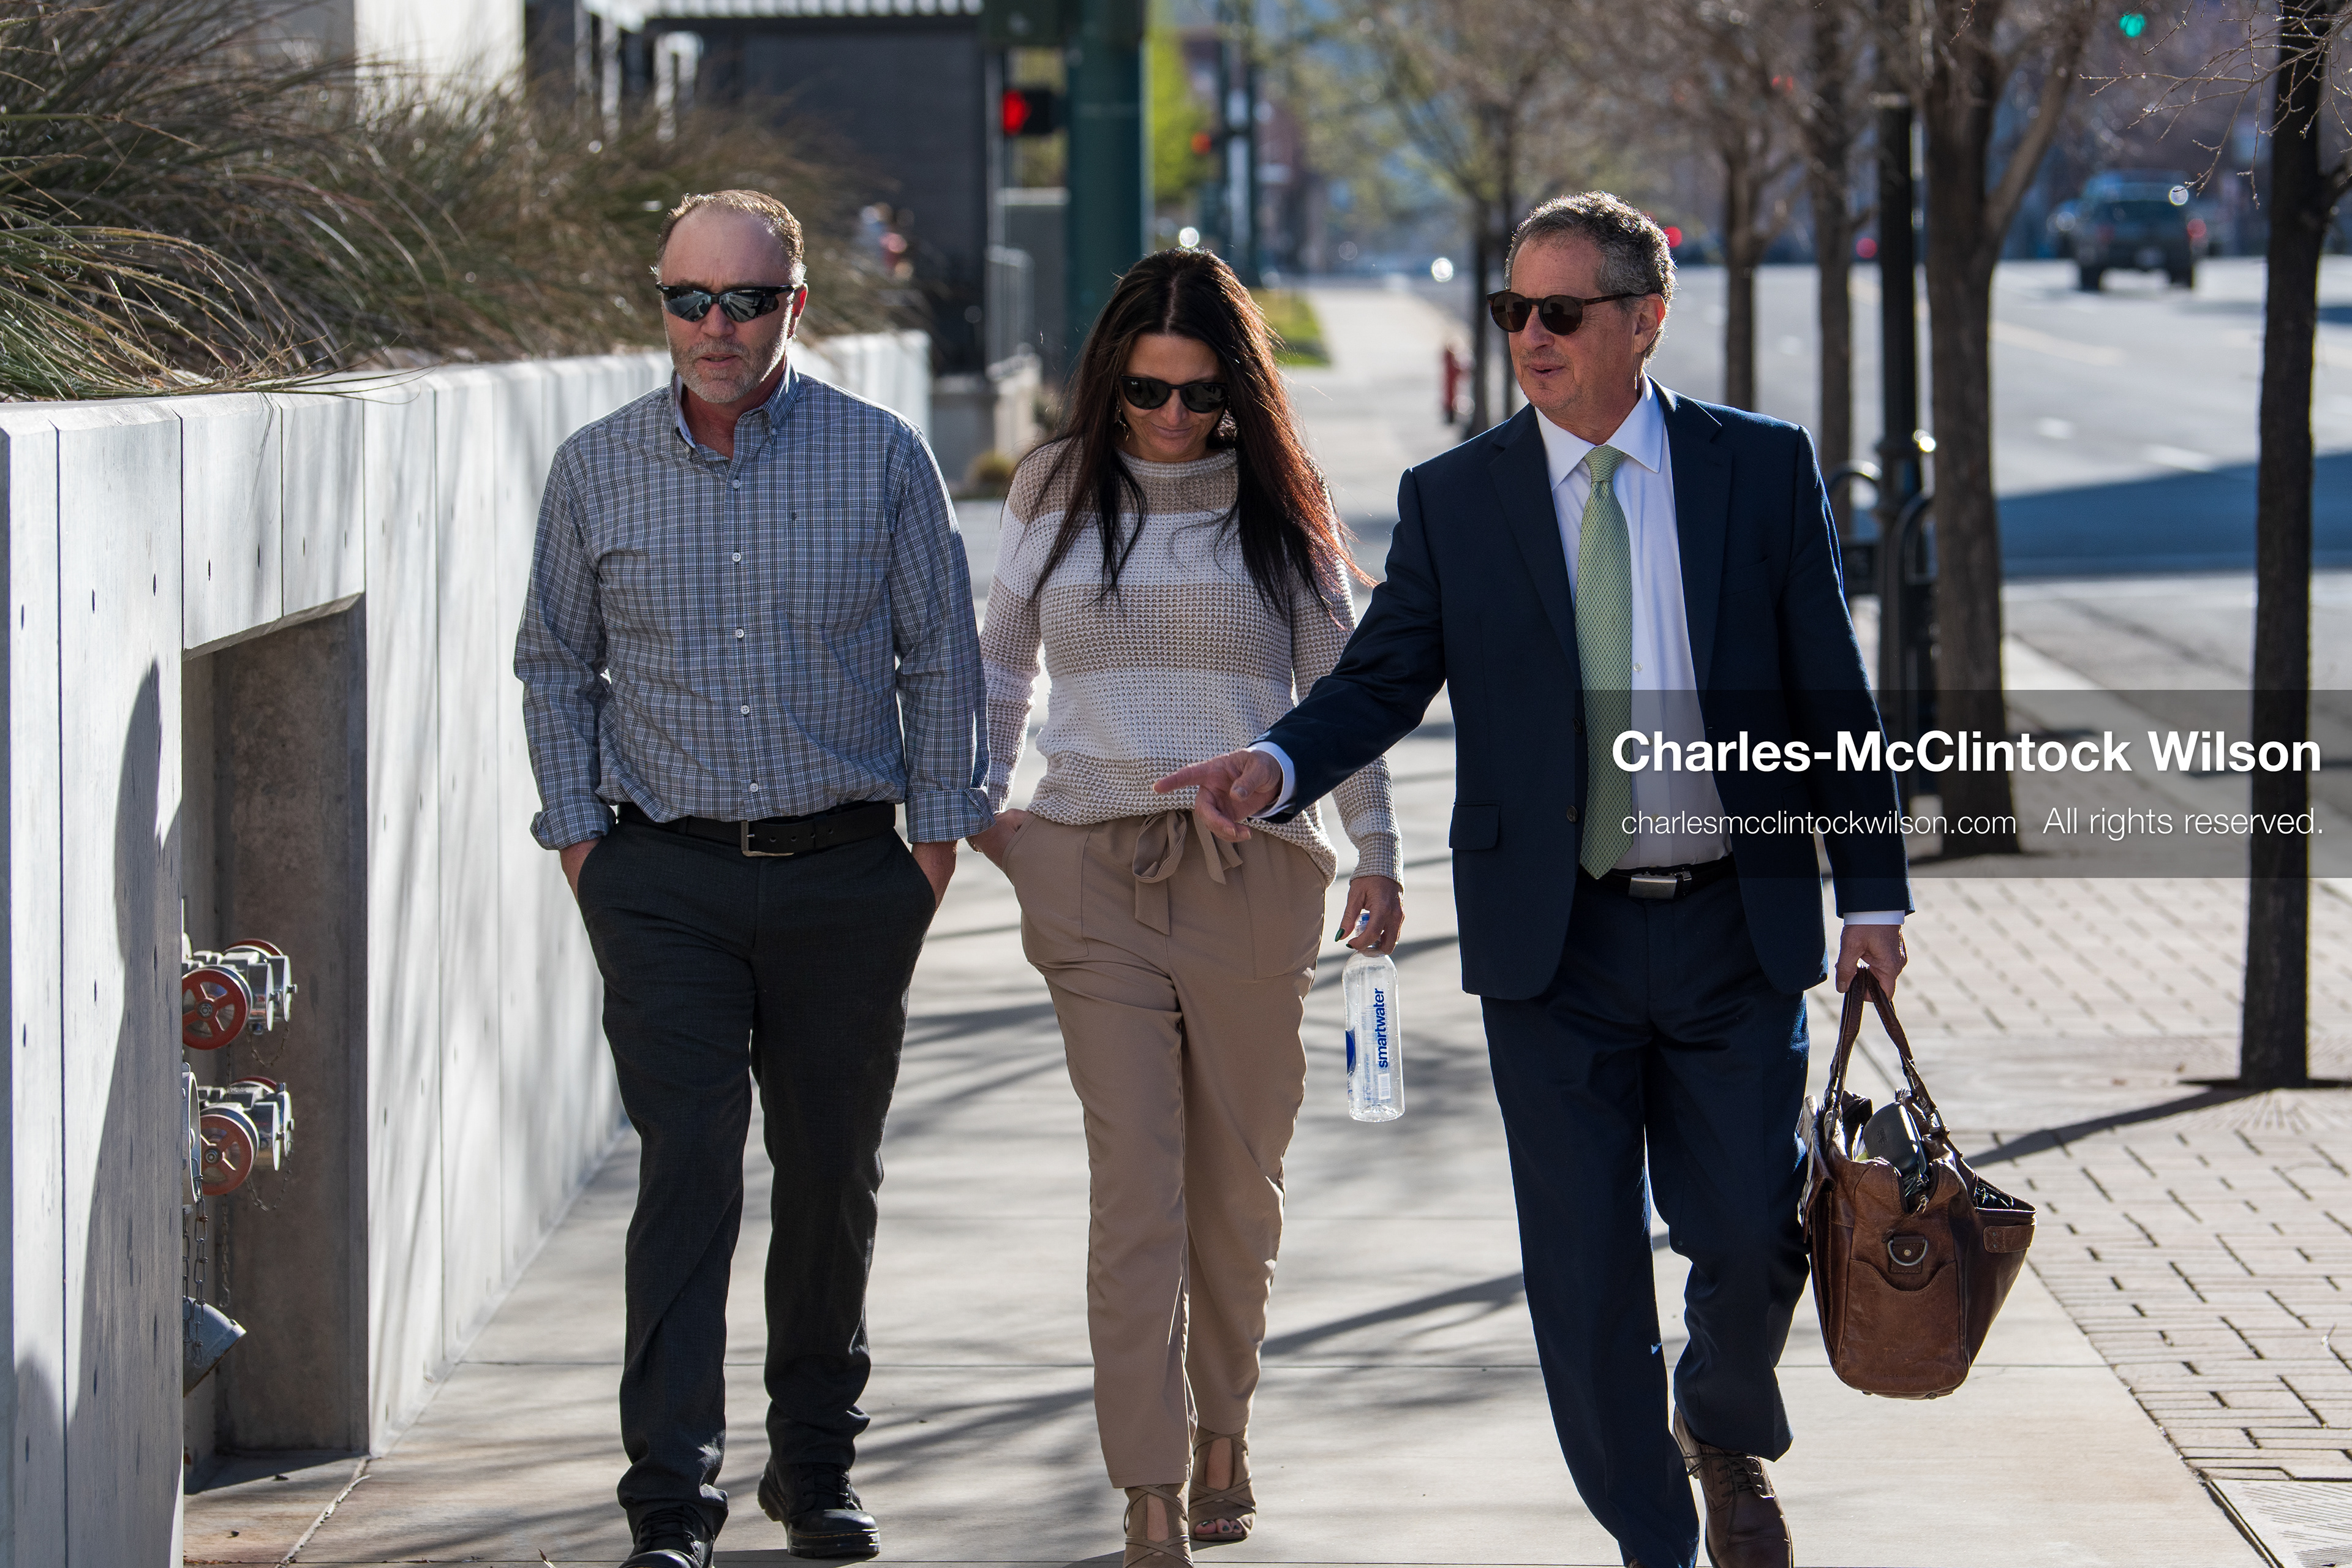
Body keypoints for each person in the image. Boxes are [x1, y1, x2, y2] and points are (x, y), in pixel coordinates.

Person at [1159, 192, 1912, 1568]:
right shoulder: (1462, 497)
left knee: (1749, 1232)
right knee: (1583, 1276)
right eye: (1516, 311)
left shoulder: (1759, 469)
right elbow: (1380, 677)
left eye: (1562, 312)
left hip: (1733, 931)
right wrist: (1273, 764)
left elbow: (1831, 691)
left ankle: (1724, 1426)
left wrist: (1875, 893)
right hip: (1550, 947)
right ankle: (1654, 1539)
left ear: (1645, 319)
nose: (1532, 337)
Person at [514, 189, 990, 1568]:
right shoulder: (596, 468)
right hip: (660, 875)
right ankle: (671, 1495)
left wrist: (933, 842)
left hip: (849, 872)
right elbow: (557, 656)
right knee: (688, 1169)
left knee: (832, 1173)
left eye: (745, 301)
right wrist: (582, 839)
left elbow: (940, 654)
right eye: (688, 298)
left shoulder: (883, 457)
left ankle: (816, 1466)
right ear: (661, 302)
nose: (713, 328)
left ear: (798, 307)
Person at [966, 249, 1403, 1568]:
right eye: (1146, 392)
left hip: (1256, 871)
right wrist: (992, 816)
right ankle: (1148, 1485)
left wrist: (1376, 851)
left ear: (1238, 392)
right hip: (1093, 867)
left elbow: (1348, 699)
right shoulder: (1057, 483)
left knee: (1236, 1195)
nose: (1169, 421)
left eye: (1199, 396)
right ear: (1110, 379)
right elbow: (1000, 662)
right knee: (1137, 1187)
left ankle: (1226, 1426)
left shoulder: (1283, 505)